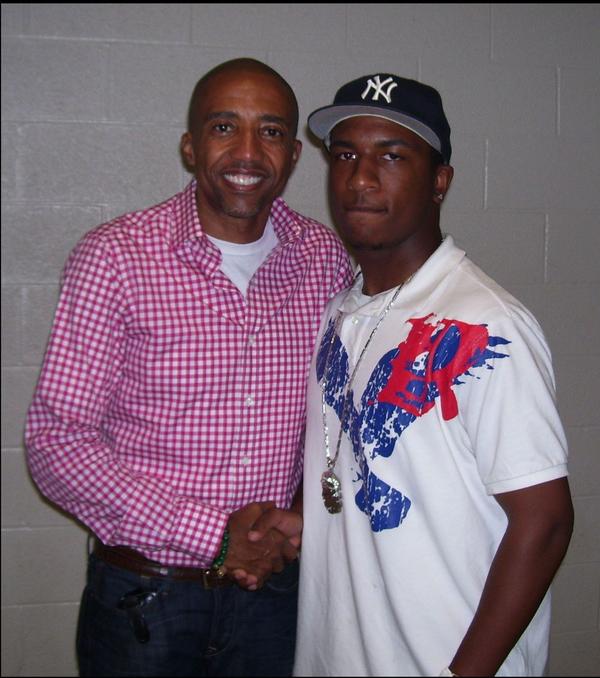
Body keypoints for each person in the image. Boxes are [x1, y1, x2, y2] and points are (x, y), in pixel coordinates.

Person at [24, 58, 353, 677]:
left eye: (271, 131)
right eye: (224, 127)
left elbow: (334, 418)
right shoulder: (115, 258)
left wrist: (304, 518)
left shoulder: (325, 258)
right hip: (147, 597)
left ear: (293, 154)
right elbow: (57, 444)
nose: (248, 151)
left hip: (274, 598)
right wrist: (216, 538)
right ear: (190, 146)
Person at [291, 73, 574, 676]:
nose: (360, 178)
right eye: (346, 155)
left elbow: (545, 523)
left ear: (440, 181)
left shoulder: (485, 323)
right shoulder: (339, 311)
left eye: (392, 156)